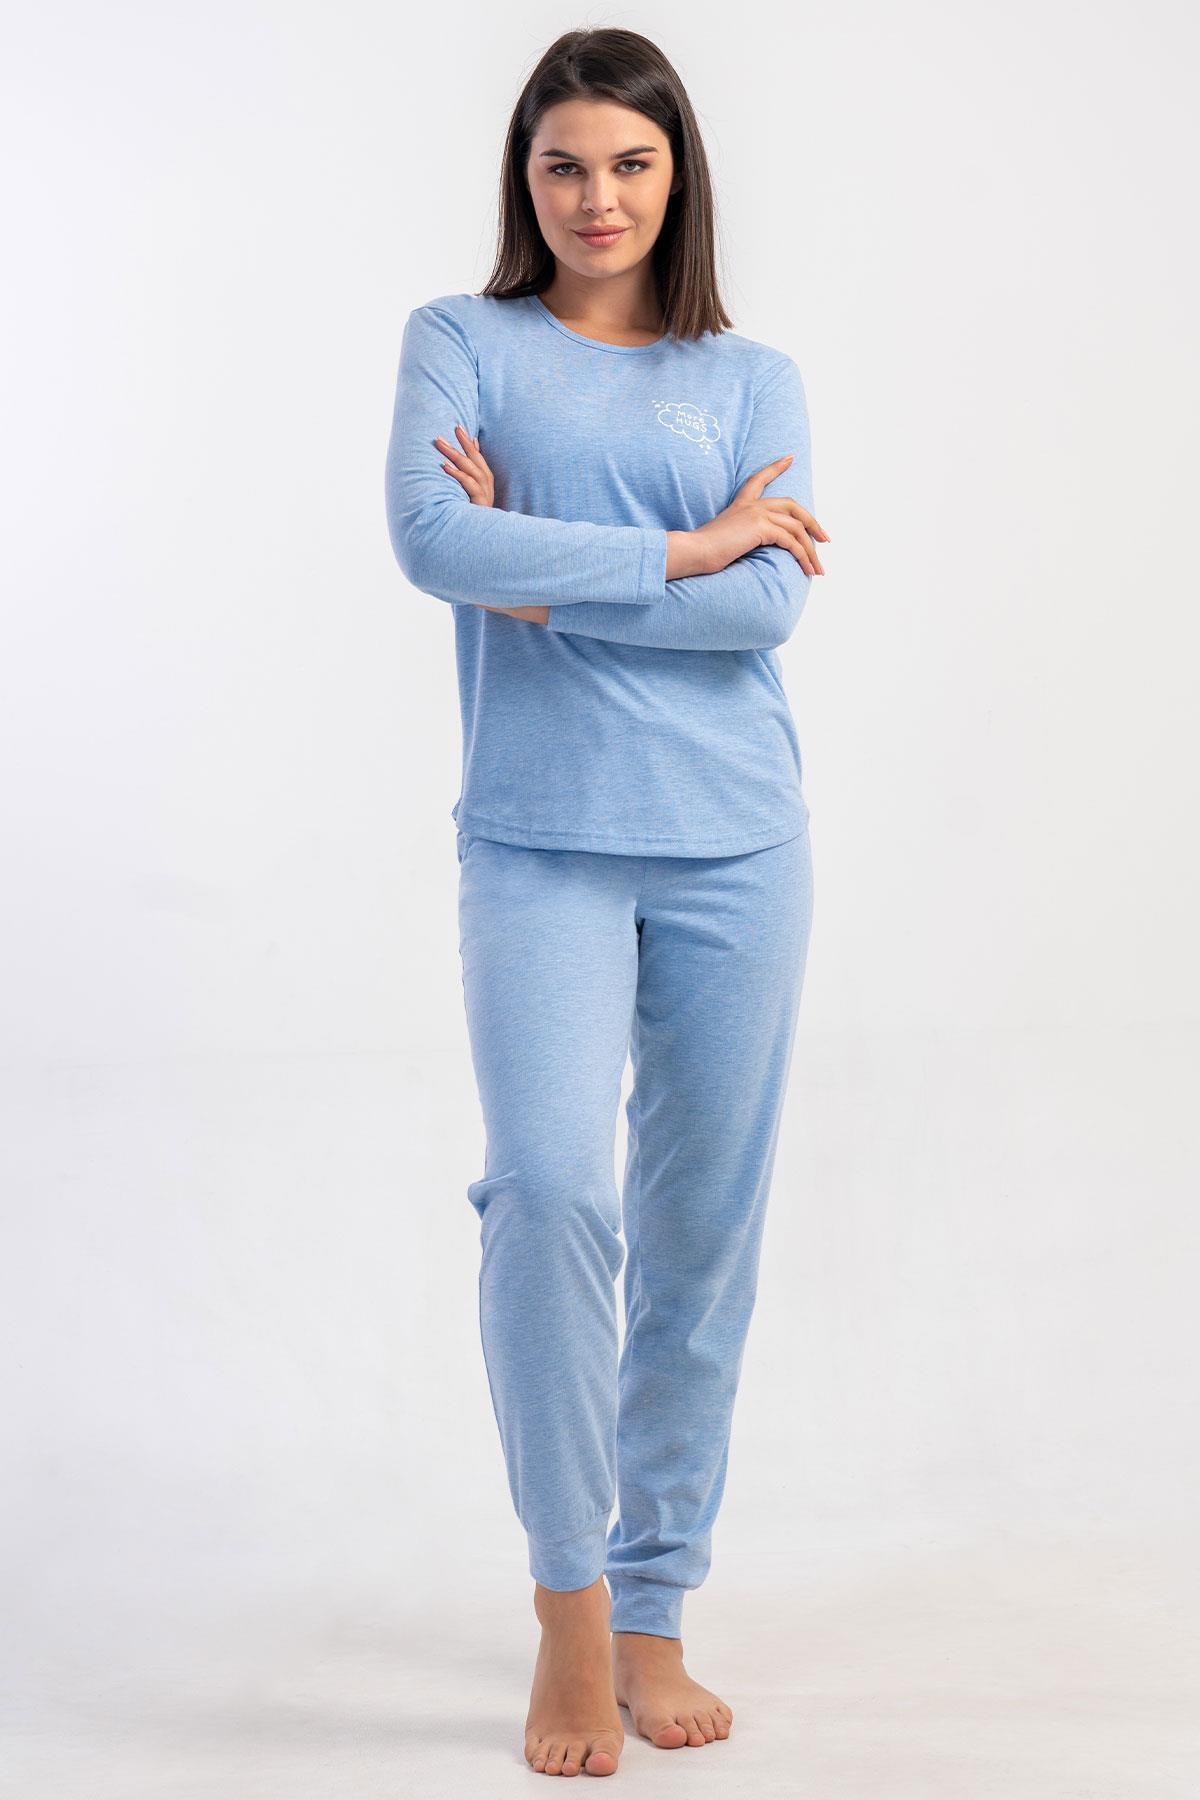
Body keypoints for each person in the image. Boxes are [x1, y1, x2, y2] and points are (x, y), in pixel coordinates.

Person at [384, 25, 829, 1779]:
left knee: (699, 1234)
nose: (597, 197)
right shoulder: (461, 342)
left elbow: (765, 612)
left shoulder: (753, 377)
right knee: (552, 1195)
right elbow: (433, 544)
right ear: (526, 176)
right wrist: (682, 549)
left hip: (736, 842)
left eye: (631, 164)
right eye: (564, 164)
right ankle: (570, 1603)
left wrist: (545, 580)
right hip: (538, 840)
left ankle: (656, 1601)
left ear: (677, 176)